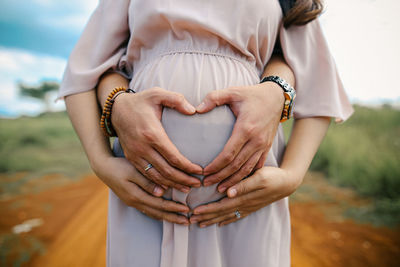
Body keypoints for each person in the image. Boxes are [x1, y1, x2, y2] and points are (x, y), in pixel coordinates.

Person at [59, 0, 353, 266]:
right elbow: (86, 71)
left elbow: (318, 79)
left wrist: (291, 175)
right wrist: (102, 159)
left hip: (245, 195)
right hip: (147, 192)